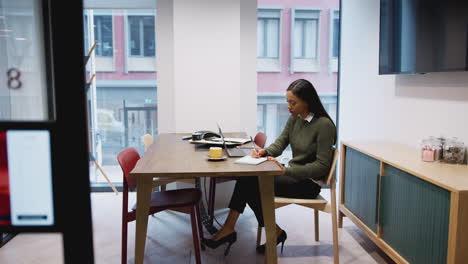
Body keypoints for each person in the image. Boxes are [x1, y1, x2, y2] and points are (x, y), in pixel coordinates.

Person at [202, 79, 337, 256]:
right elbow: (280, 143)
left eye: (293, 102)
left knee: (250, 183)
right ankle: (266, 231)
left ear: (307, 101)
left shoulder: (324, 125)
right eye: (287, 101)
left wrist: (286, 170)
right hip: (292, 175)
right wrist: (264, 152)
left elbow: (321, 166)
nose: (289, 106)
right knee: (248, 179)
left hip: (308, 183)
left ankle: (235, 230)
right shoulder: (295, 119)